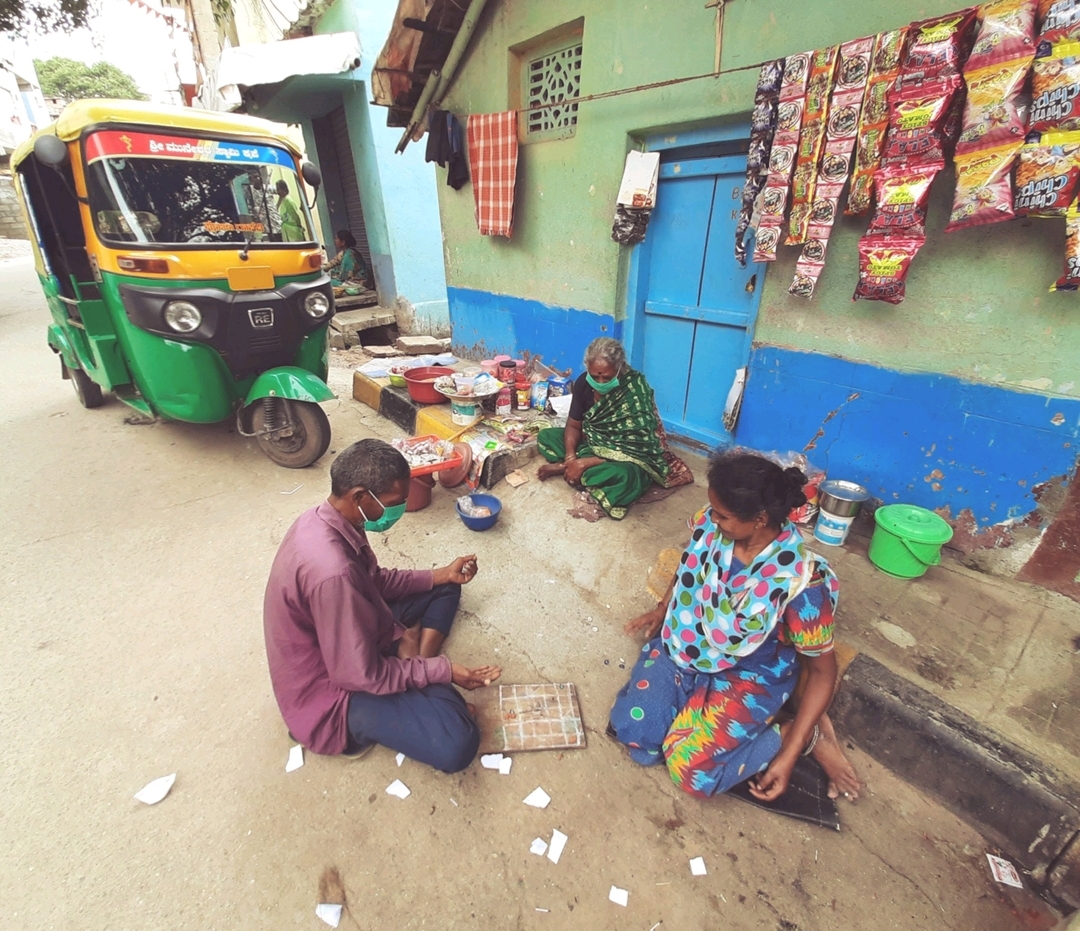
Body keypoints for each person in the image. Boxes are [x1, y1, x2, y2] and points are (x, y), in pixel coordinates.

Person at [609, 451, 861, 802]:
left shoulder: (800, 584)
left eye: (723, 515)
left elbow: (821, 673)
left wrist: (786, 758)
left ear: (759, 518)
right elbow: (691, 562)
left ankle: (796, 734)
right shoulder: (712, 528)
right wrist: (663, 607)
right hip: (689, 642)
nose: (711, 520)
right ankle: (689, 705)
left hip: (749, 675)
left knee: (690, 772)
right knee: (637, 734)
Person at [263, 438, 501, 773]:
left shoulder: (328, 519)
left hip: (353, 627)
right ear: (360, 496)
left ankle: (414, 660)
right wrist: (444, 671)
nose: (399, 510)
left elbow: (375, 582)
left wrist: (442, 574)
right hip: (333, 690)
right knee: (457, 742)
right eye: (394, 502)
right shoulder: (332, 573)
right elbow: (359, 674)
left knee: (445, 588)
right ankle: (422, 677)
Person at [536, 337, 692, 519]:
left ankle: (574, 470)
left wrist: (587, 462)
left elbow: (640, 449)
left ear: (619, 369)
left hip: (629, 458)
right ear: (587, 367)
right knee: (546, 436)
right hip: (592, 444)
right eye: (595, 376)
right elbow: (573, 425)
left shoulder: (634, 390)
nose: (600, 383)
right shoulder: (583, 384)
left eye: (607, 377)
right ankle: (574, 469)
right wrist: (571, 457)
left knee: (626, 477)